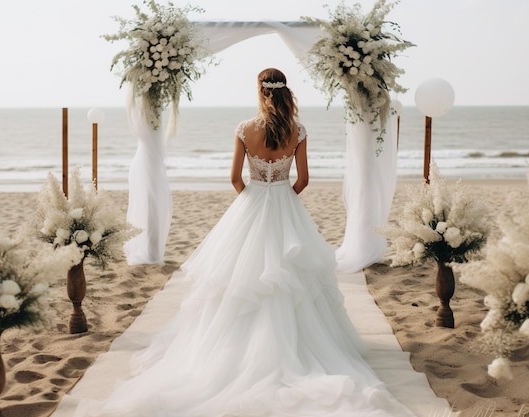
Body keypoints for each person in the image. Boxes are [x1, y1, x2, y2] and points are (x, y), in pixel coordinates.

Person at [74, 68, 416, 417]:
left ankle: (235, 351)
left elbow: (234, 177)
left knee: (241, 277)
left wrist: (251, 199)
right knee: (292, 279)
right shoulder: (298, 130)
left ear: (260, 91)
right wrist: (284, 195)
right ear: (286, 92)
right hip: (285, 203)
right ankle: (296, 348)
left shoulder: (244, 129)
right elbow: (305, 179)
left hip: (251, 203)